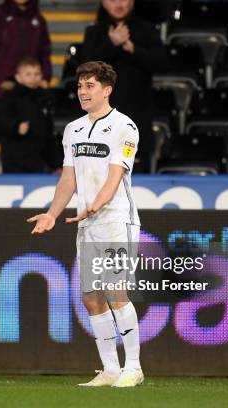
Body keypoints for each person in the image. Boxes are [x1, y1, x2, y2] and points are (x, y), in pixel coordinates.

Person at [27, 61, 143, 387]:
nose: (82, 92)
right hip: (87, 221)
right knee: (91, 297)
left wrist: (95, 205)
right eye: (80, 86)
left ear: (107, 90)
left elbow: (116, 174)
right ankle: (109, 370)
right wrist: (52, 212)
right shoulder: (73, 129)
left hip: (116, 218)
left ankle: (133, 367)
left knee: (115, 291)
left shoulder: (125, 126)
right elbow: (69, 177)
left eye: (90, 85)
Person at [80, 0, 166, 171]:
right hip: (100, 121)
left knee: (137, 187)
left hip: (137, 118)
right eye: (112, 0)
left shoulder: (147, 30)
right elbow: (85, 67)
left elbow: (162, 63)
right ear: (104, 3)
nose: (118, 4)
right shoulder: (94, 32)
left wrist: (133, 48)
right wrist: (112, 44)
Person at [0, 0, 52, 171]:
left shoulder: (38, 19)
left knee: (31, 130)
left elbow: (45, 50)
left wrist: (45, 76)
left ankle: (31, 171)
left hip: (29, 90)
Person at [0, 57, 62, 173]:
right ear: (18, 77)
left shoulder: (44, 99)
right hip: (13, 161)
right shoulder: (9, 97)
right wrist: (16, 127)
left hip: (38, 161)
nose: (33, 78)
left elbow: (48, 135)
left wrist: (56, 164)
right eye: (28, 74)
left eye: (36, 74)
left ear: (41, 76)